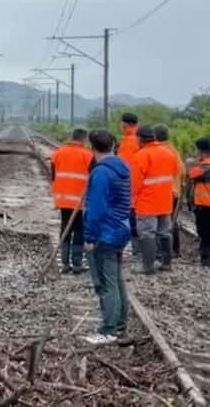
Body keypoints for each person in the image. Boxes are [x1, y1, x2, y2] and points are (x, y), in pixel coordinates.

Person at [84, 129, 132, 344]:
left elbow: (96, 209)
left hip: (106, 232)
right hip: (121, 229)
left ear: (91, 146)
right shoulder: (122, 167)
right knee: (117, 280)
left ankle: (108, 330)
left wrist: (89, 237)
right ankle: (119, 324)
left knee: (106, 283)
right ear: (113, 145)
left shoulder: (101, 172)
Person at [130, 125, 179, 274]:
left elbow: (135, 183)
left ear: (140, 139)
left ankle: (148, 266)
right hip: (165, 201)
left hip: (147, 203)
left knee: (147, 234)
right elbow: (174, 172)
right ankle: (166, 264)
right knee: (165, 232)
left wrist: (132, 198)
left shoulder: (141, 155)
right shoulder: (169, 153)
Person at [52, 128, 94, 273]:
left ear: (72, 137)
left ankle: (64, 264)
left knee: (65, 229)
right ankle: (77, 264)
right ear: (84, 139)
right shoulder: (88, 155)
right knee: (79, 231)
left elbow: (53, 175)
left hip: (63, 199)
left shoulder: (58, 153)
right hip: (80, 201)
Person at [154, 125, 186, 258]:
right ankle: (175, 250)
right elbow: (183, 172)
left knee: (159, 223)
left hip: (162, 192)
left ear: (154, 136)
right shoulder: (173, 151)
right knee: (171, 221)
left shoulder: (158, 151)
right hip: (174, 192)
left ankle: (162, 252)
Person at [118, 112, 142, 256]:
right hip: (139, 186)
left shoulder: (129, 141)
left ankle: (137, 251)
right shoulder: (138, 138)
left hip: (131, 188)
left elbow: (124, 167)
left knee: (132, 220)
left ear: (125, 124)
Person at [186, 138, 210, 267]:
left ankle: (206, 259)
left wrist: (193, 162)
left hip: (205, 205)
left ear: (202, 151)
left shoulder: (203, 167)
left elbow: (191, 173)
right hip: (205, 205)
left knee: (205, 233)